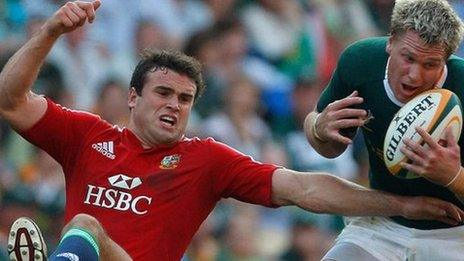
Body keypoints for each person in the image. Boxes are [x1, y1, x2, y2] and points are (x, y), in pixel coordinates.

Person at [1, 1, 463, 261]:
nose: (174, 106)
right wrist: (50, 32)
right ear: (132, 97)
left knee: (86, 226)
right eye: (163, 93)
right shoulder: (86, 136)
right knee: (86, 228)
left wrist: (404, 203)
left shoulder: (204, 158)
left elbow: (305, 188)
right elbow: (9, 100)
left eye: (185, 100)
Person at [304, 0, 464, 260]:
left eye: (430, 65)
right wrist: (318, 128)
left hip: (455, 235)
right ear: (391, 42)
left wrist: (453, 176)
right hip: (383, 224)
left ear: (447, 60)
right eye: (408, 58)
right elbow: (328, 148)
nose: (414, 75)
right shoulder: (360, 61)